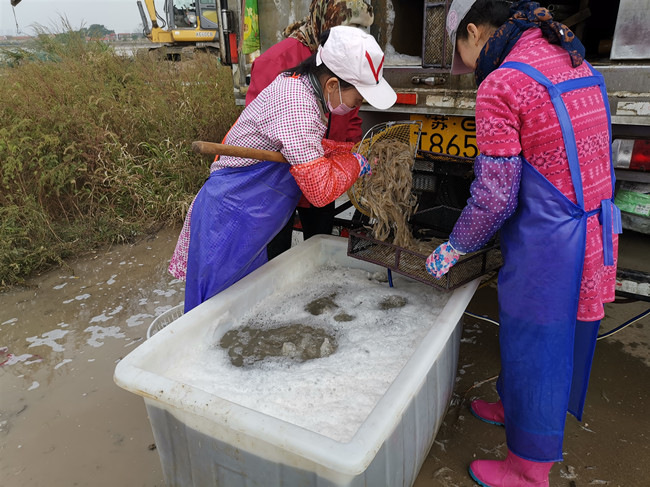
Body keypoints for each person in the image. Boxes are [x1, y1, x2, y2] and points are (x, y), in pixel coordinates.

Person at [425, 1, 621, 486]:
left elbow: (495, 197)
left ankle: (528, 471)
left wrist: (455, 246)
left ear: (474, 31)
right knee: (533, 334)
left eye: (463, 54)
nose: (470, 69)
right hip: (594, 227)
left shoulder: (503, 84)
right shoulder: (572, 60)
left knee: (539, 347)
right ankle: (513, 405)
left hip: (549, 243)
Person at [169, 25, 397, 313]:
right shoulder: (297, 104)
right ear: (331, 85)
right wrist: (356, 163)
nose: (357, 105)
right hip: (232, 216)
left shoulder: (302, 89)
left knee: (246, 306)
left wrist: (346, 152)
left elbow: (303, 146)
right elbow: (320, 191)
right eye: (358, 97)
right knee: (216, 312)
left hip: (251, 216)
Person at [246, 0, 374, 259]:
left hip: (322, 172)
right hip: (279, 180)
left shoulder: (347, 64)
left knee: (320, 247)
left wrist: (354, 154)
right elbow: (258, 127)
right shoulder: (278, 59)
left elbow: (351, 117)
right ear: (327, 22)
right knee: (275, 253)